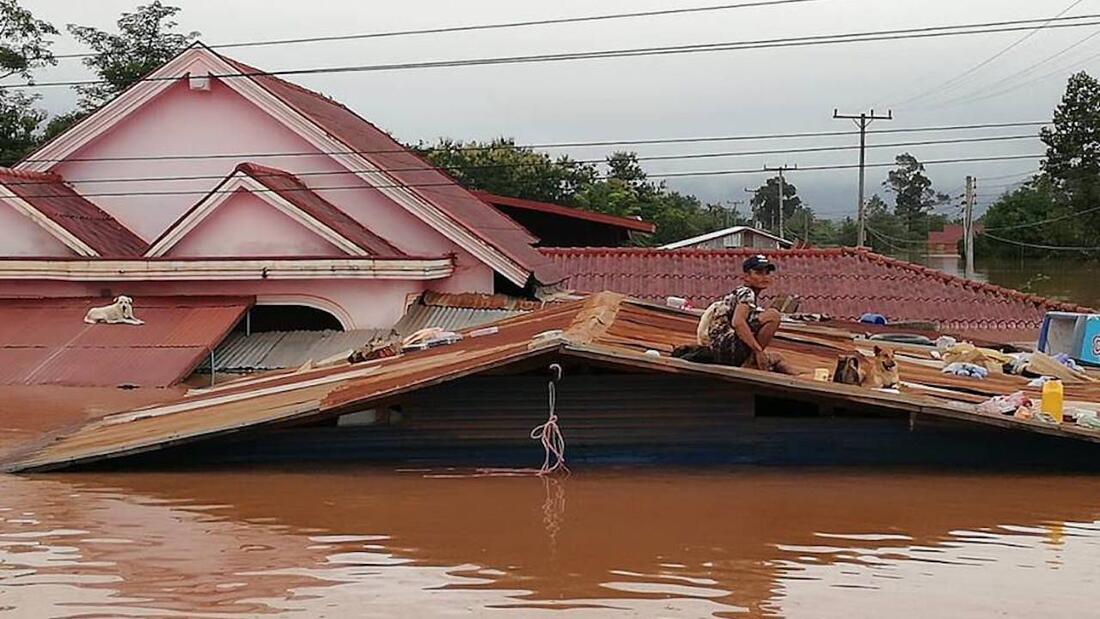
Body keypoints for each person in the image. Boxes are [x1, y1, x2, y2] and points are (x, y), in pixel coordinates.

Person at [707, 255, 791, 373]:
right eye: (758, 273)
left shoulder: (743, 294)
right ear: (746, 277)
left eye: (767, 273)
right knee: (773, 315)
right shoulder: (746, 292)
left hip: (721, 349)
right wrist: (758, 351)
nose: (764, 277)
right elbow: (738, 322)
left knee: (777, 358)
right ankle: (750, 363)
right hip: (726, 347)